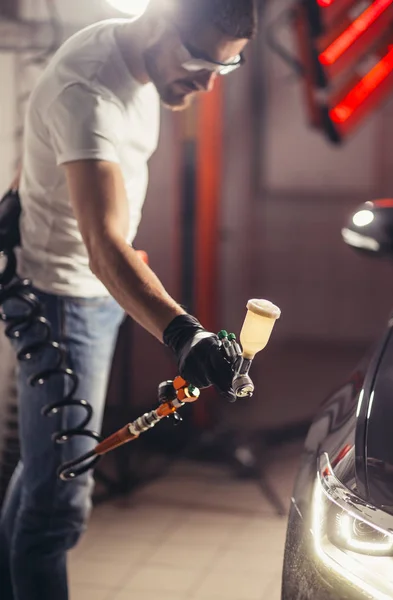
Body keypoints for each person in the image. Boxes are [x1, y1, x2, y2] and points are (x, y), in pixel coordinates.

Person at [0, 1, 257, 598]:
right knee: (58, 505)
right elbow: (102, 242)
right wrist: (183, 332)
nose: (208, 83)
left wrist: (19, 194)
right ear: (155, 23)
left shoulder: (134, 64)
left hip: (93, 290)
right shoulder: (88, 90)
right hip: (63, 299)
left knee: (42, 478)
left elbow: (57, 158)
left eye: (227, 68)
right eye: (198, 64)